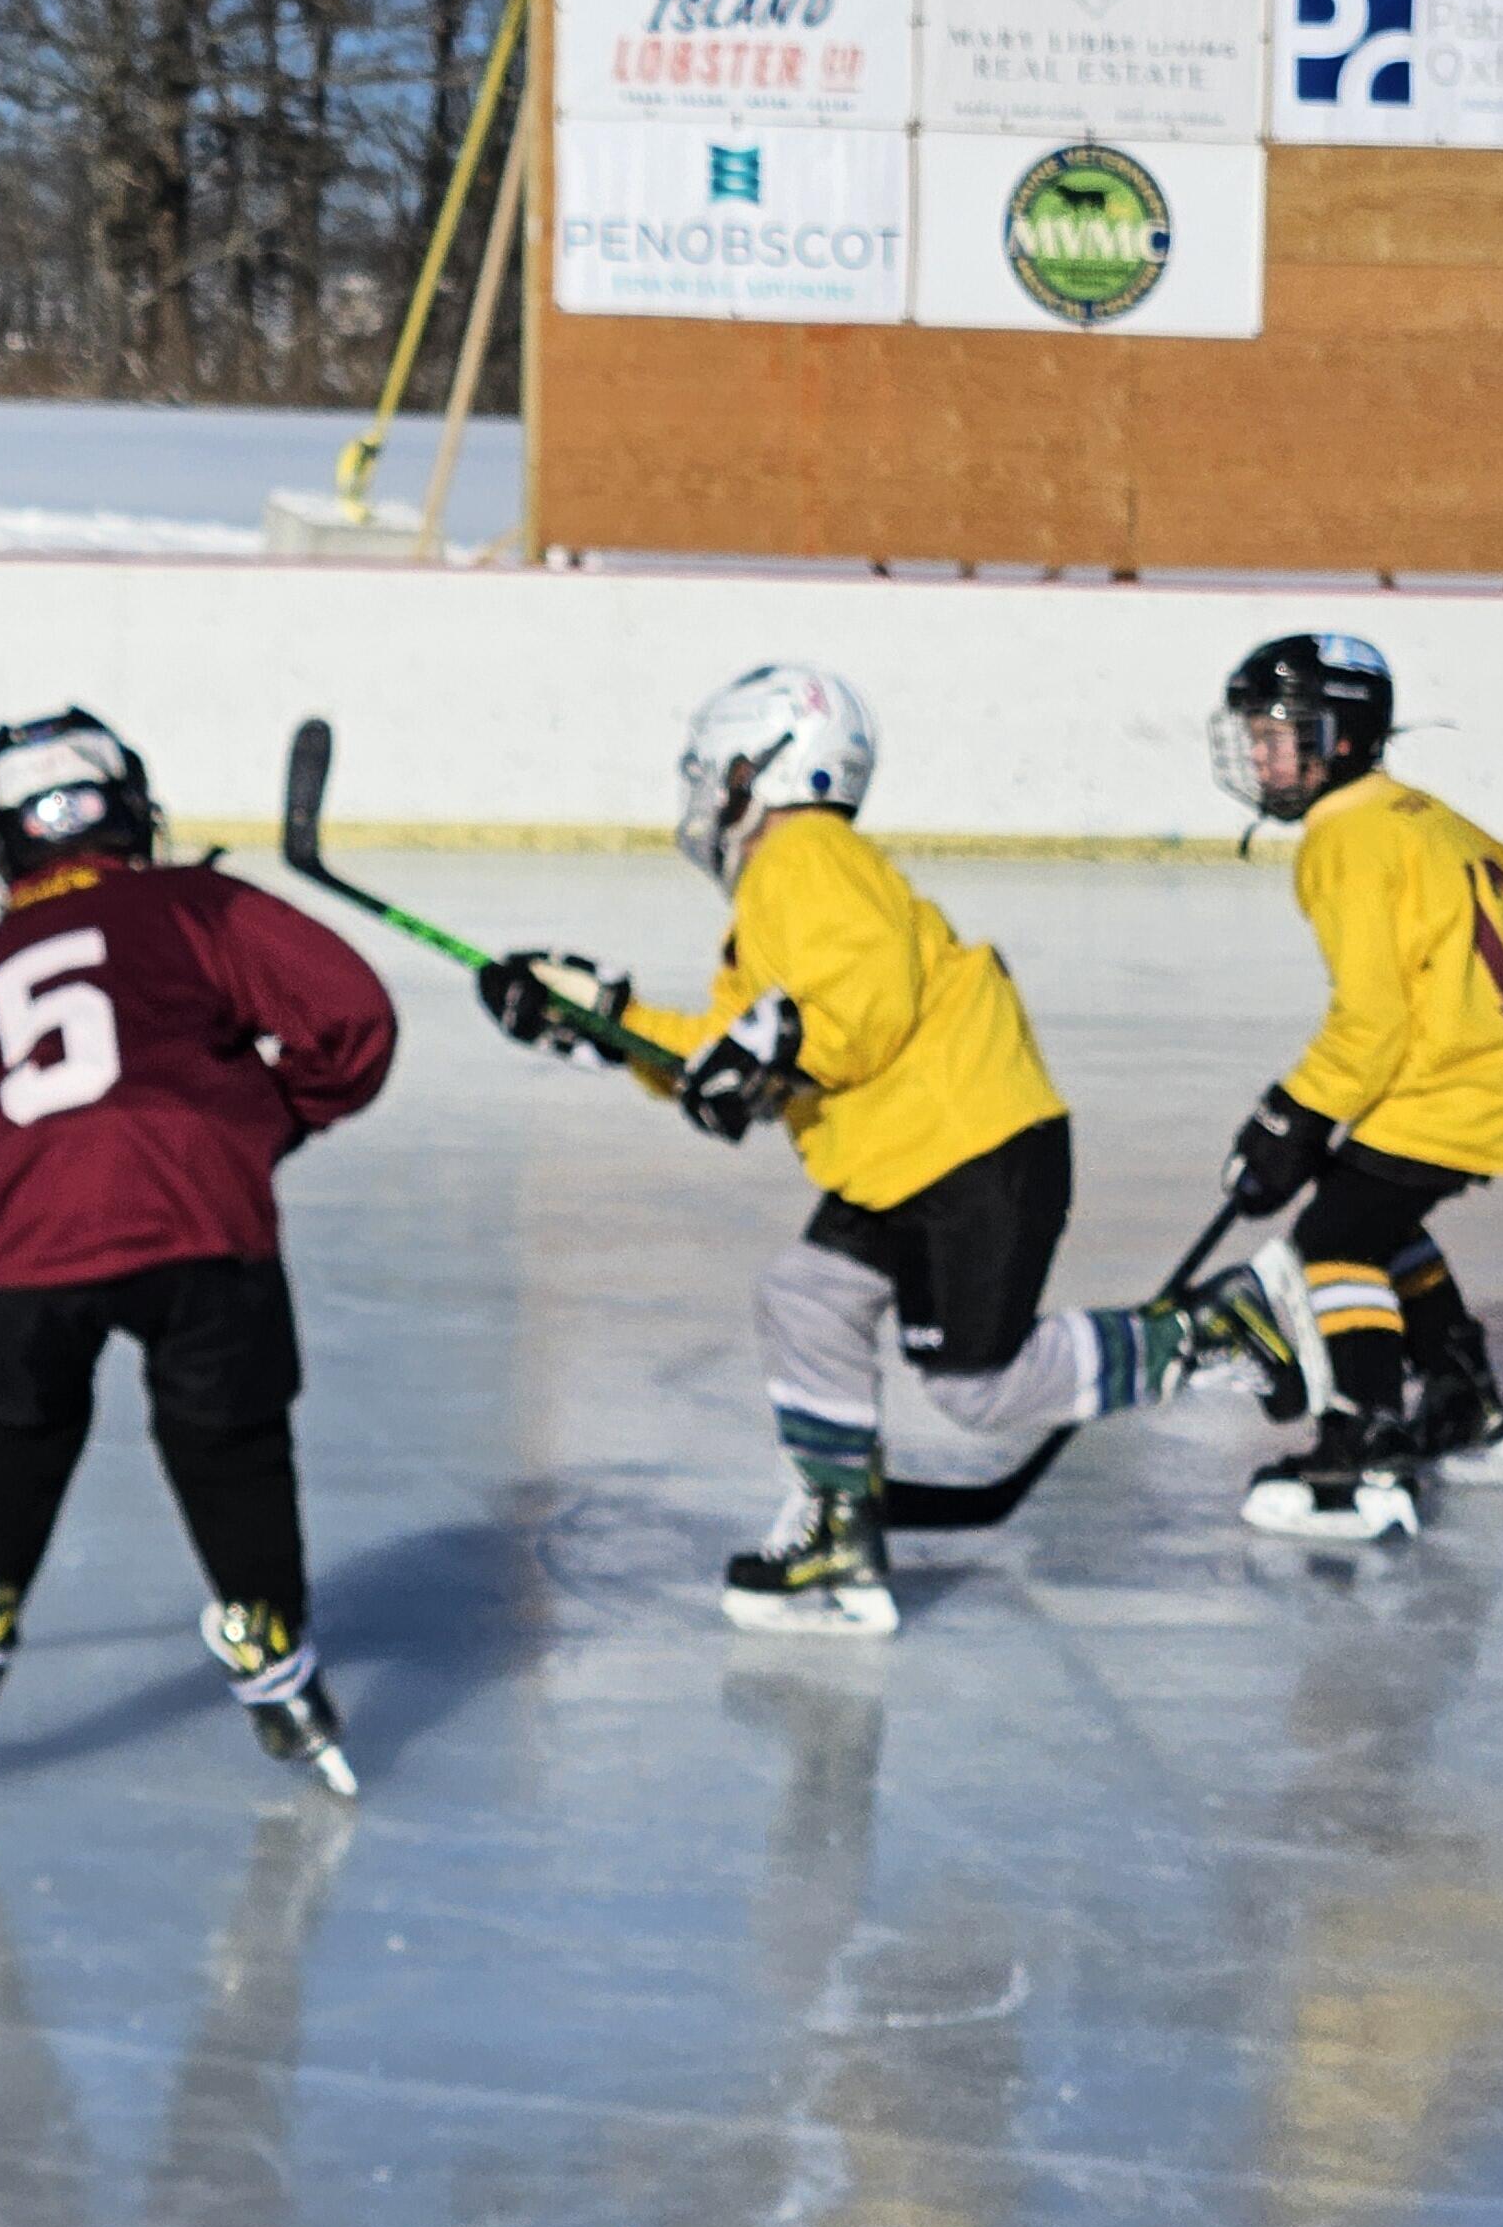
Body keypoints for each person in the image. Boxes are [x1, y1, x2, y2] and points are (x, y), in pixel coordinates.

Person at [477, 662, 1310, 1636]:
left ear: (764, 768)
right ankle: (836, 1525)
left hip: (966, 1145)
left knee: (979, 1389)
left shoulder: (807, 858)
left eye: (714, 768)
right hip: (902, 1155)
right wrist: (601, 1021)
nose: (704, 791)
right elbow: (736, 1051)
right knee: (808, 1298)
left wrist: (767, 1045)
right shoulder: (780, 895)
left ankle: (1216, 1329)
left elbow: (858, 1006)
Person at [0, 708, 396, 1795]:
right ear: (130, 809)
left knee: (12, 1437)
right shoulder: (199, 902)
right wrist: (260, 1120)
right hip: (193, 1211)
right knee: (229, 1447)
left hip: (24, 1244)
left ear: (3, 840)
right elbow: (353, 1020)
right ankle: (273, 1659)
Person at [1206, 632, 1503, 1541]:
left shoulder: (1345, 838)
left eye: (1278, 733)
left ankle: (1364, 1445)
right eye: (1254, 734)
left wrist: (1290, 1115)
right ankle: (1466, 1408)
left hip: (1467, 1070)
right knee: (1375, 1210)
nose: (1260, 754)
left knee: (1332, 1239)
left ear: (1338, 738)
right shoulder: (1424, 815)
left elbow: (1372, 1022)